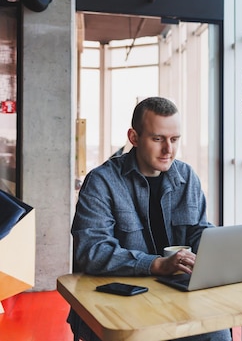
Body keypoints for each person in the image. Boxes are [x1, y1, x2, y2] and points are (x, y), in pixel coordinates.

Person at [67, 96, 231, 341]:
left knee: (218, 334)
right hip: (121, 302)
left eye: (175, 140)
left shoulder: (187, 177)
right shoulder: (101, 182)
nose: (169, 150)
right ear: (134, 138)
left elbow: (198, 231)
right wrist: (156, 264)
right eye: (158, 139)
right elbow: (92, 251)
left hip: (177, 296)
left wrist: (219, 250)